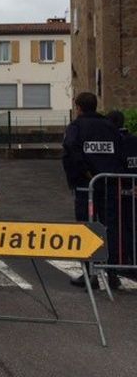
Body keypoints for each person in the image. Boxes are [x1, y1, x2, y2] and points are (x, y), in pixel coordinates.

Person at [63, 92, 124, 289]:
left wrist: (84, 172)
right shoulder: (109, 126)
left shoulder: (77, 127)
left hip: (85, 186)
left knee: (86, 228)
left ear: (79, 107)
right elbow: (120, 154)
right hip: (109, 185)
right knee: (110, 228)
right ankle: (112, 272)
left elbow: (71, 149)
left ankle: (90, 273)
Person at [107, 110, 137, 268]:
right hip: (132, 191)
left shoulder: (114, 143)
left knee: (118, 227)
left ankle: (121, 261)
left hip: (117, 192)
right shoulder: (134, 140)